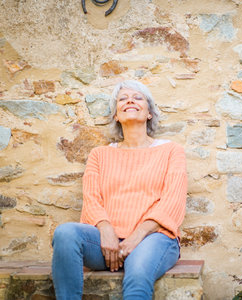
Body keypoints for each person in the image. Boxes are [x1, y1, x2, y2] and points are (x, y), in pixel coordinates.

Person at [51, 80, 187, 300]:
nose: (130, 100)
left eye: (138, 97)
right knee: (65, 233)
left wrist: (135, 238)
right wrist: (106, 232)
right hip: (106, 243)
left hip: (154, 238)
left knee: (138, 273)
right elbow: (92, 199)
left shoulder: (172, 150)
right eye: (123, 99)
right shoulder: (99, 154)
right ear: (116, 115)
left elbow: (172, 202)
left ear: (150, 113)